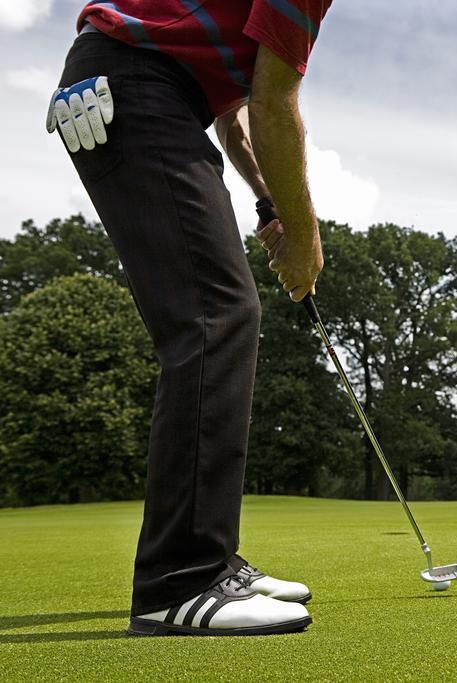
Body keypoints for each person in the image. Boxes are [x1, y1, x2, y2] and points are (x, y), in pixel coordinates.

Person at [47, 0, 331, 636]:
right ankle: (180, 580)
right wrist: (307, 238)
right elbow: (273, 103)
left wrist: (269, 203)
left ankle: (211, 560)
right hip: (137, 83)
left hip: (136, 83)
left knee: (218, 311)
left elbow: (233, 116)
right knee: (215, 314)